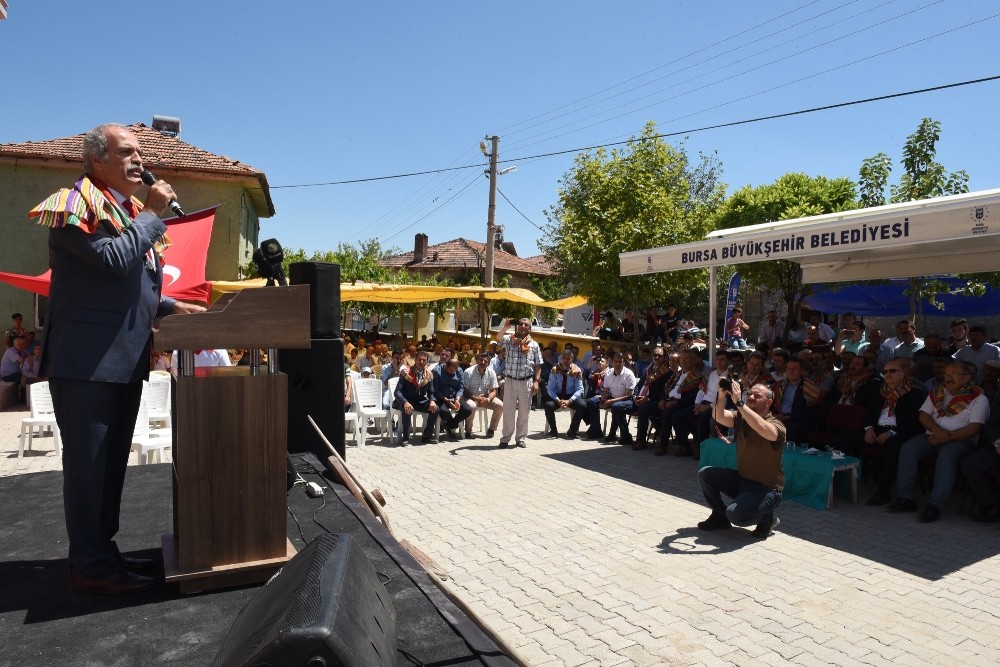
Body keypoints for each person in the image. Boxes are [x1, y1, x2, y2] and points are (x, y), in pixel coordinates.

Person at [29, 123, 205, 595]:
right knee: (89, 472)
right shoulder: (75, 205)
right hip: (86, 364)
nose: (138, 159)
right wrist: (151, 214)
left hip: (125, 360)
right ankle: (91, 567)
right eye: (126, 151)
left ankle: (102, 555)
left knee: (108, 471)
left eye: (140, 152)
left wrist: (171, 307)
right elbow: (111, 261)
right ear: (97, 160)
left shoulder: (126, 212)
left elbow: (128, 286)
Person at [888, 362, 988, 523]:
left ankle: (935, 505)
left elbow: (973, 429)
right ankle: (905, 498)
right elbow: (923, 416)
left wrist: (945, 437)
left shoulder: (978, 398)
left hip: (961, 440)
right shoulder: (938, 392)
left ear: (967, 378)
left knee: (946, 456)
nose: (948, 378)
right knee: (908, 448)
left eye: (954, 374)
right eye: (946, 374)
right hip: (933, 435)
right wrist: (937, 432)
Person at [698, 378, 785, 538]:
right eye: (749, 394)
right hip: (743, 482)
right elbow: (718, 416)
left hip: (767, 491)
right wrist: (722, 395)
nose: (751, 397)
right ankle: (719, 516)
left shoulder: (777, 426)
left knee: (735, 516)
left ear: (769, 402)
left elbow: (761, 427)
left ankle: (767, 518)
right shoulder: (741, 417)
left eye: (757, 396)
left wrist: (739, 403)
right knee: (705, 474)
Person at [860, 358, 928, 506]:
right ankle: (841, 480)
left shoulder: (914, 394)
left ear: (902, 374)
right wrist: (869, 428)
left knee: (892, 446)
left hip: (900, 431)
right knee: (847, 437)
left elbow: (914, 422)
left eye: (892, 371)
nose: (888, 374)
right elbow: (868, 413)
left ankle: (883, 492)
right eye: (885, 372)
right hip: (877, 428)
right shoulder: (878, 391)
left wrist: (891, 433)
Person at [495, 318, 542, 448]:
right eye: (520, 324)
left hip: (526, 381)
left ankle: (520, 438)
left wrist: (536, 381)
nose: (522, 326)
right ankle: (505, 438)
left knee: (524, 412)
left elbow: (538, 365)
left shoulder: (534, 345)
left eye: (526, 325)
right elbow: (498, 338)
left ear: (530, 328)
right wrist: (506, 326)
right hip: (510, 380)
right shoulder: (510, 340)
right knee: (508, 411)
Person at [393, 350, 439, 444]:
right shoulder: (406, 372)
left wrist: (432, 401)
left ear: (427, 361)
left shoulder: (428, 374)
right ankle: (405, 438)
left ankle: (427, 436)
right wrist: (405, 402)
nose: (421, 362)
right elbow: (397, 392)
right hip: (405, 401)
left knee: (435, 408)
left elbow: (431, 392)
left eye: (424, 360)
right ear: (415, 360)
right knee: (407, 409)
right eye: (419, 360)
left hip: (419, 401)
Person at [544, 350, 588, 438]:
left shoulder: (576, 370)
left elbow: (580, 389)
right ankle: (553, 430)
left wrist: (570, 401)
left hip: (570, 395)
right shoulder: (555, 370)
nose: (566, 361)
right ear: (560, 359)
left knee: (582, 405)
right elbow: (550, 389)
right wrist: (558, 400)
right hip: (557, 395)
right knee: (548, 405)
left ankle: (572, 430)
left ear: (572, 359)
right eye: (564, 358)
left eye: (568, 358)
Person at [464, 352, 502, 437]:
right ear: (477, 361)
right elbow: (465, 390)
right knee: (472, 406)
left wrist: (488, 399)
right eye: (481, 360)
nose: (483, 362)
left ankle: (491, 429)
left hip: (485, 397)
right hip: (470, 397)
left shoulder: (491, 372)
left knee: (500, 405)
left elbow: (493, 390)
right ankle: (468, 431)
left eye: (485, 361)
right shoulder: (468, 372)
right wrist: (475, 398)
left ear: (488, 363)